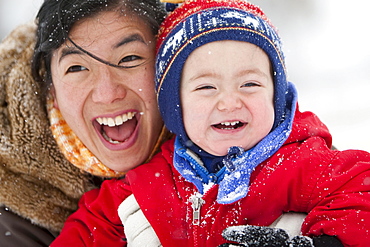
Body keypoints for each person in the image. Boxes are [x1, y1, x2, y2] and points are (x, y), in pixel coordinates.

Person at [51, 0, 370, 246]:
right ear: (175, 106)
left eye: (250, 85)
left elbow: (361, 193)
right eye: (206, 88)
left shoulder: (299, 161)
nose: (229, 102)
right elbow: (91, 228)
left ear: (275, 94)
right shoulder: (150, 183)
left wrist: (326, 242)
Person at [0, 0, 171, 246]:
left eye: (129, 58)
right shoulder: (15, 224)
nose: (107, 93)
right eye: (77, 67)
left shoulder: (232, 152)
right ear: (51, 92)